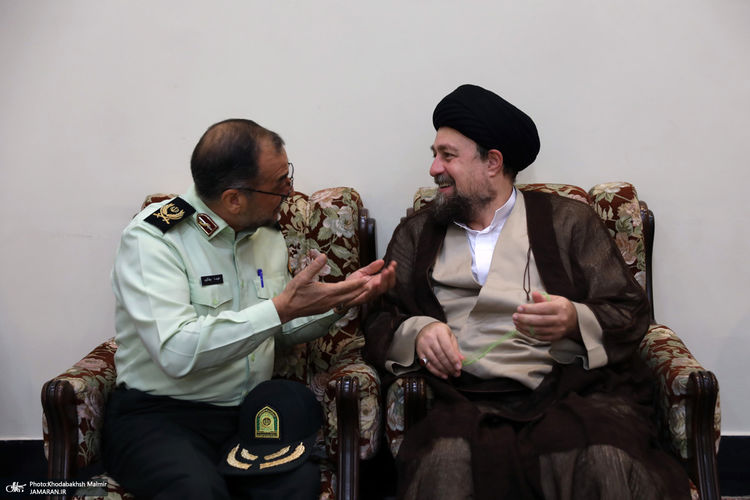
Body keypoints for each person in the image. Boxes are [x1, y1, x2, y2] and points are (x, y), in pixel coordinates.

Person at [364, 84, 689, 499]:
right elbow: (379, 318)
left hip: (569, 389)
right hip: (463, 397)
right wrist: (420, 331)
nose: (433, 168)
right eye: (435, 154)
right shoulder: (417, 233)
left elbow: (629, 310)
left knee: (604, 456)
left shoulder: (569, 222)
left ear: (492, 162)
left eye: (447, 156)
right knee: (443, 462)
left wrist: (574, 319)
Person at [102, 118, 396, 500]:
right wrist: (280, 309)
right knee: (196, 491)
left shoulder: (266, 233)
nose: (289, 191)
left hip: (250, 415)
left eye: (287, 175)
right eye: (279, 183)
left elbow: (277, 328)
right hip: (160, 416)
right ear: (234, 199)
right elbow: (176, 351)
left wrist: (339, 300)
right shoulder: (155, 239)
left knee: (295, 486)